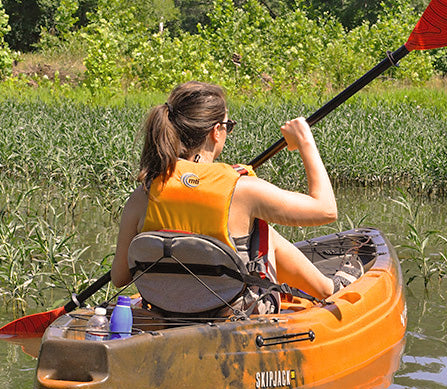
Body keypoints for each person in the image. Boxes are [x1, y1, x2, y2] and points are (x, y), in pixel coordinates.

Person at [111, 81, 360, 312]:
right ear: (216, 132)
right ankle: (328, 288)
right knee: (263, 233)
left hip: (166, 310)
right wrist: (305, 140)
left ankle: (325, 286)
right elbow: (326, 210)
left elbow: (120, 277)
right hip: (233, 314)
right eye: (228, 126)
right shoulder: (242, 189)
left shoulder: (144, 193)